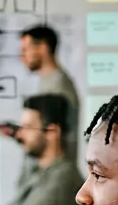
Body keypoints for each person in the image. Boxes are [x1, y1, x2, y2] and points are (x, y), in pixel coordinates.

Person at [19, 24, 81, 160]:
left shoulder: (58, 85)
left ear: (42, 48)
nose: (21, 58)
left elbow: (53, 137)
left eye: (25, 50)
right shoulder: (49, 81)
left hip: (56, 169)